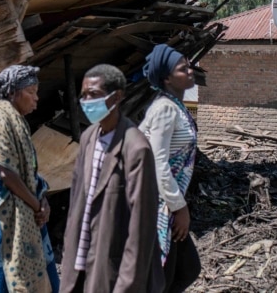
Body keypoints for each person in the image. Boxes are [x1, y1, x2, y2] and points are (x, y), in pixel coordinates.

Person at [61, 64, 162, 293]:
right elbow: (77, 202)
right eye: (84, 95)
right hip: (79, 264)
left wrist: (127, 285)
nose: (86, 101)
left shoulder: (135, 148)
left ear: (116, 97)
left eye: (94, 95)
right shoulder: (88, 138)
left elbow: (141, 228)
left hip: (112, 270)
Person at [0, 65, 59, 293]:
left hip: (23, 208)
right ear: (12, 92)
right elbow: (6, 173)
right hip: (3, 212)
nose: (36, 99)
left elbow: (28, 173)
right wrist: (37, 204)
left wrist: (43, 201)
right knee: (4, 276)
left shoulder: (18, 123)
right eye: (31, 92)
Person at [139, 45, 201, 293]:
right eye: (182, 68)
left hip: (167, 203)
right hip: (159, 206)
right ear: (166, 78)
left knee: (185, 270)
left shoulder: (176, 106)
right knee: (165, 276)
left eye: (189, 65)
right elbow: (158, 163)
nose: (190, 70)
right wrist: (180, 207)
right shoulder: (164, 109)